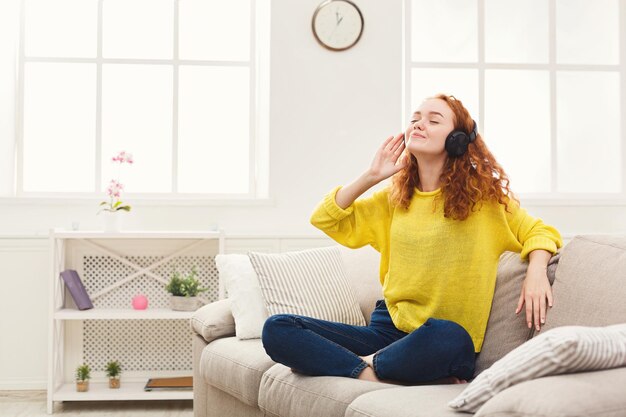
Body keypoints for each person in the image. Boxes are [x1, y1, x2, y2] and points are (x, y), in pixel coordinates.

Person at [261, 94, 562, 385]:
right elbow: (325, 218)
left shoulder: (485, 203)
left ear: (457, 139)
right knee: (278, 328)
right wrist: (372, 176)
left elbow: (540, 232)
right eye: (415, 119)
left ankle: (361, 364)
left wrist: (536, 271)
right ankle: (375, 371)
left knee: (451, 335)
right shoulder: (394, 200)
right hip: (386, 332)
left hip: (440, 341)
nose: (418, 124)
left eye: (433, 120)